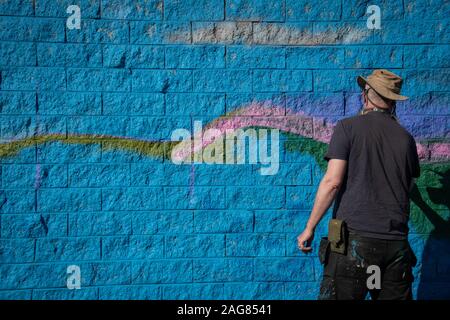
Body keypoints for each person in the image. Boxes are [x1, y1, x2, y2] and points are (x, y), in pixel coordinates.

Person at [297, 69, 421, 300]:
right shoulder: (406, 139)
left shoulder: (348, 127)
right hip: (395, 247)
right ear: (393, 101)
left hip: (355, 244)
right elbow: (409, 185)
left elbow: (333, 182)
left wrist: (310, 227)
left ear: (366, 95)